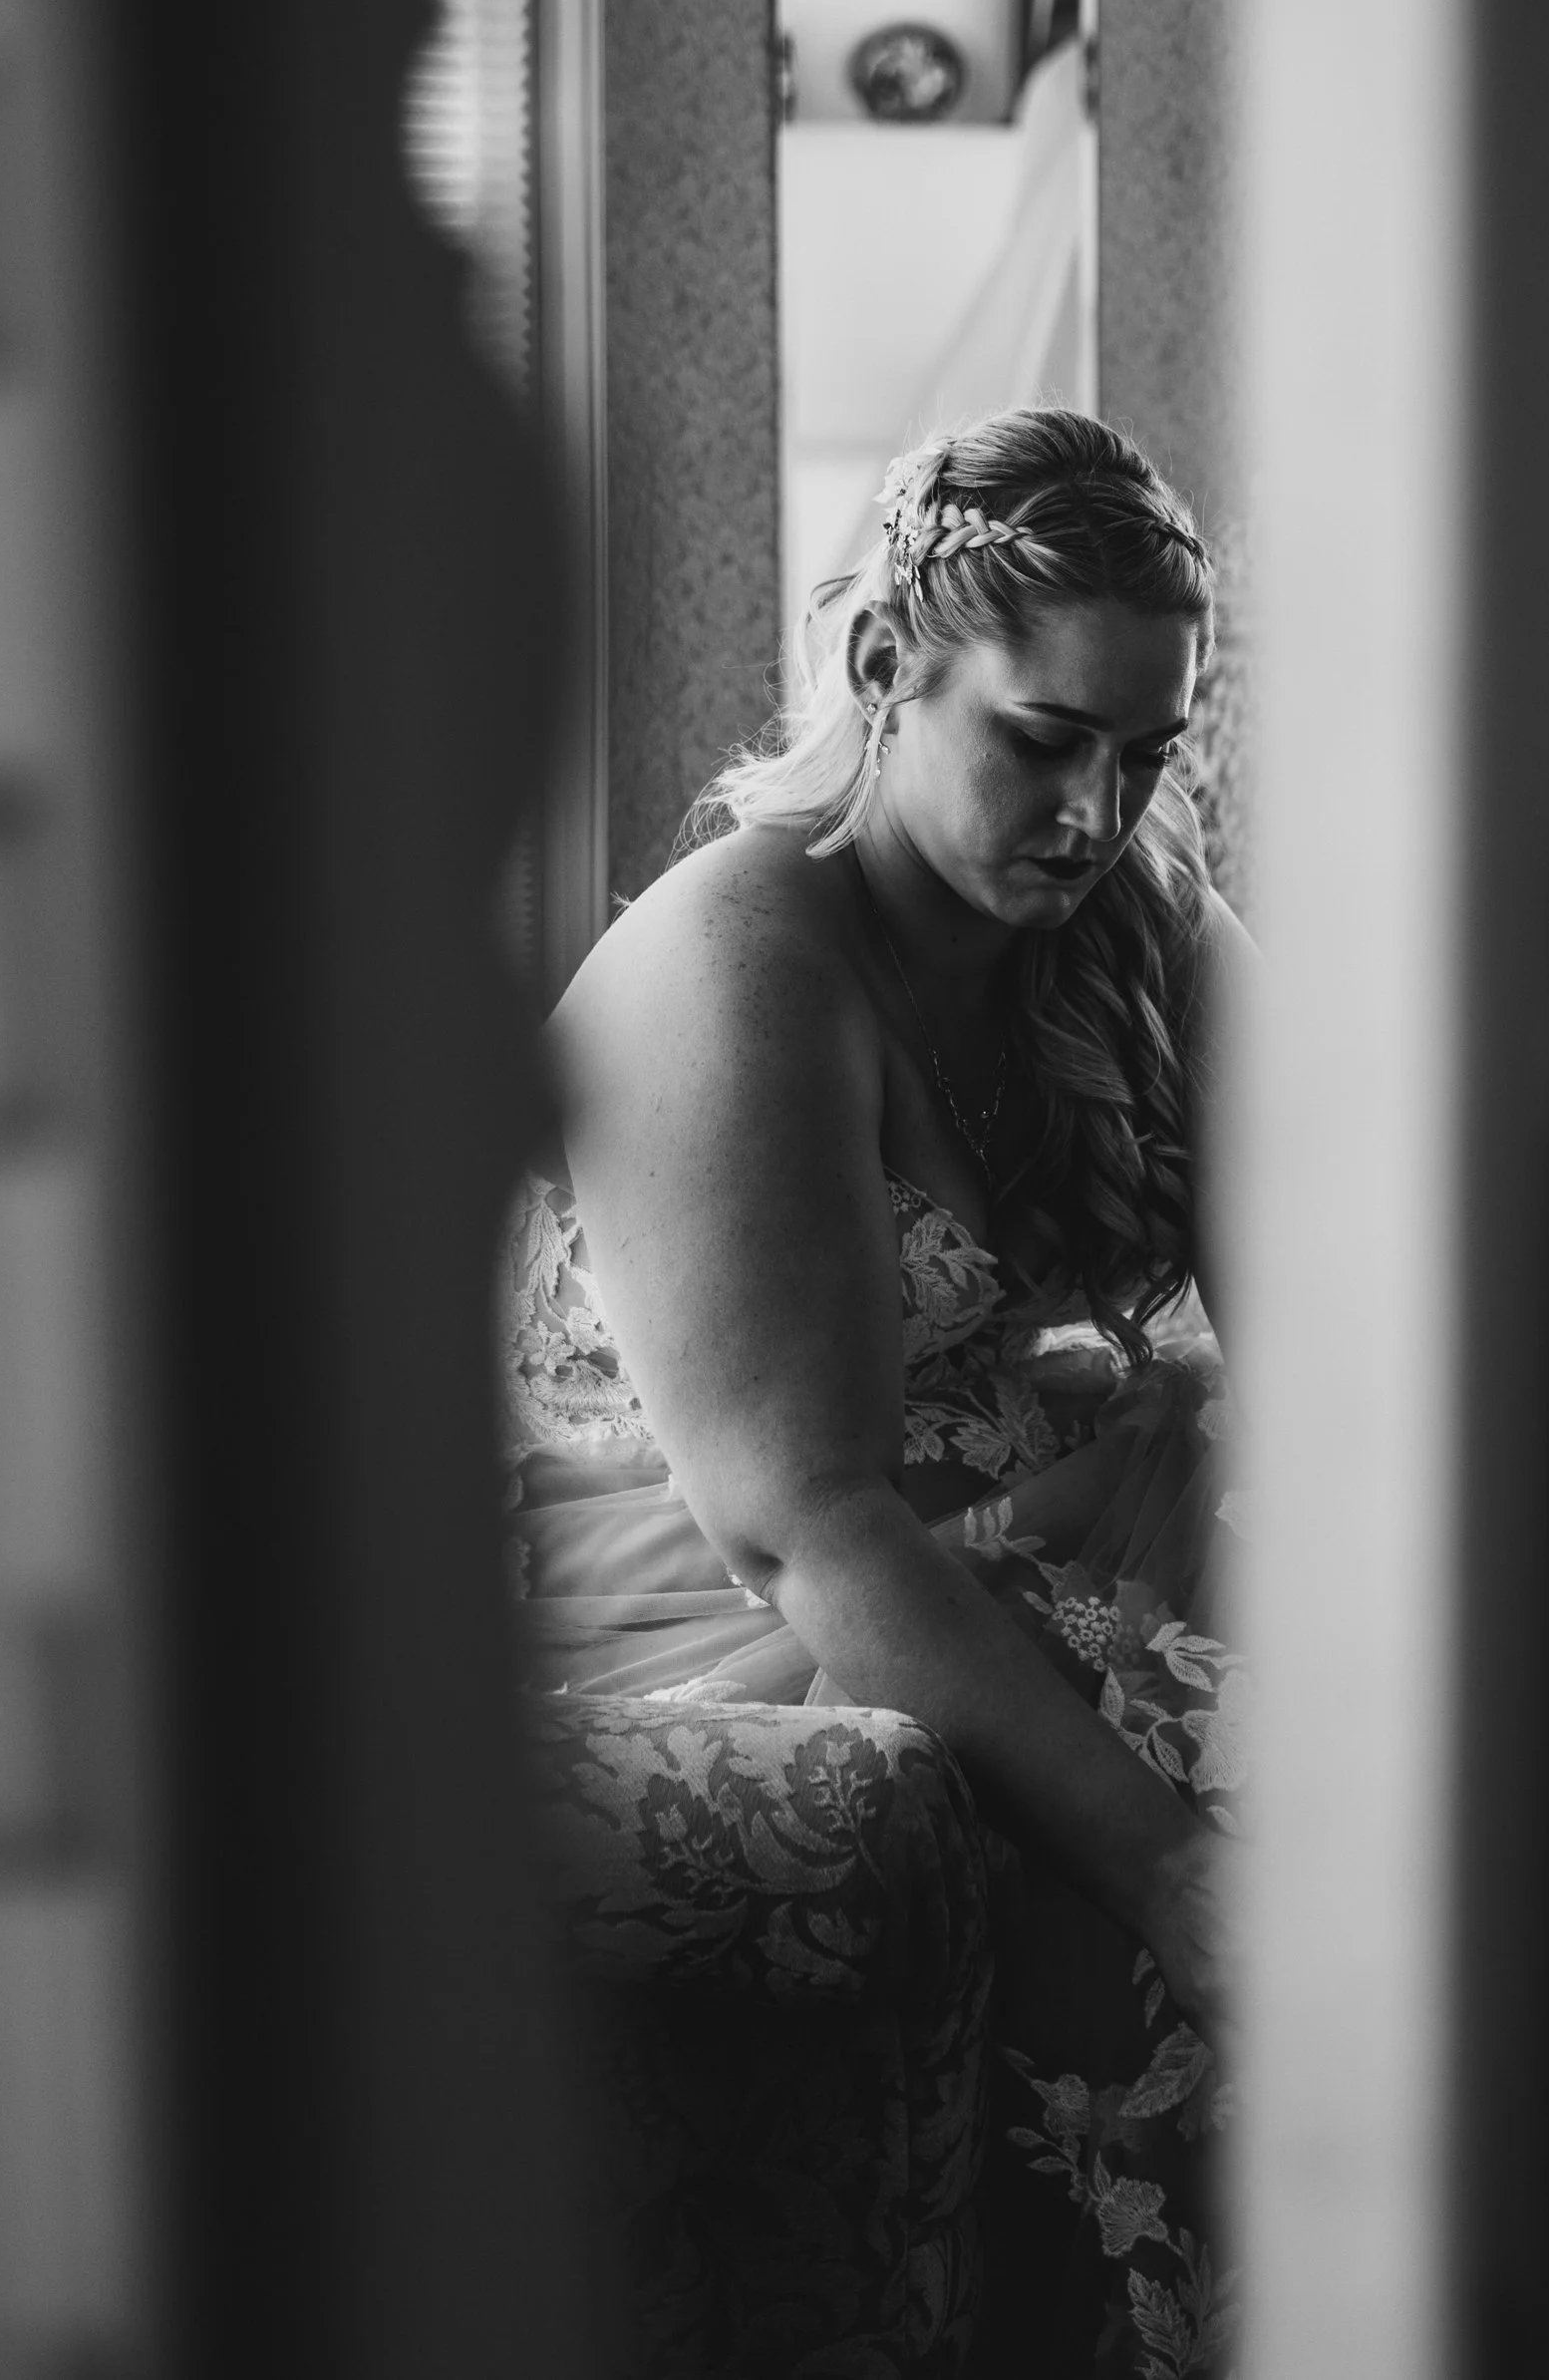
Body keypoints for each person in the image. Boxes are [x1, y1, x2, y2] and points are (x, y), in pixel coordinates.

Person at [500, 406, 1250, 2374]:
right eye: (1039, 736)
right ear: (880, 671)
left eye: (1142, 751)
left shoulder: (1128, 917)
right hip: (716, 1611)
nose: (1090, 808)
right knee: (1136, 1770)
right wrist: (1176, 1871)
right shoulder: (734, 960)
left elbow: (1334, 1313)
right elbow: (804, 1524)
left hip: (988, 1532)